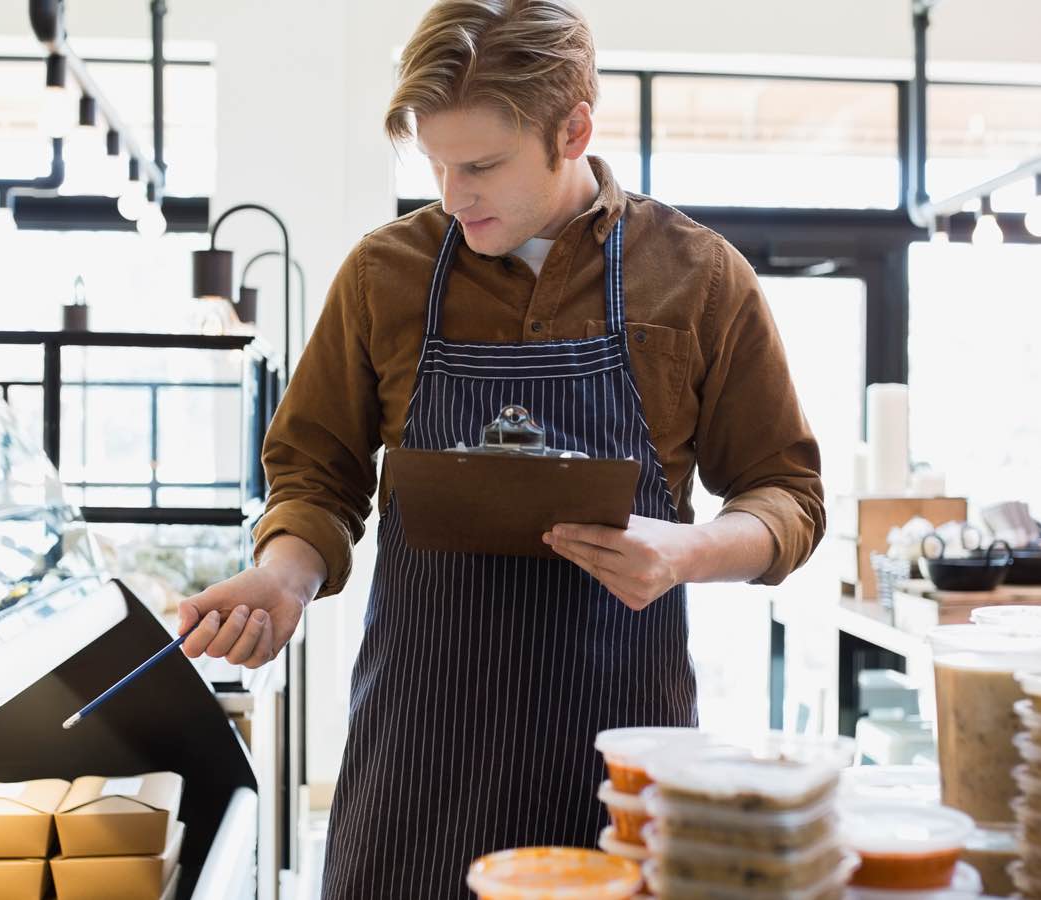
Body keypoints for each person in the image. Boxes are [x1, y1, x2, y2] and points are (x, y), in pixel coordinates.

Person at [177, 1, 824, 895]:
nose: (451, 196)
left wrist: (690, 550)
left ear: (575, 128)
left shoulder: (699, 277)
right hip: (417, 761)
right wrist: (284, 578)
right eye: (436, 164)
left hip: (617, 764)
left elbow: (786, 493)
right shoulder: (384, 274)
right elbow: (315, 473)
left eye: (480, 165)